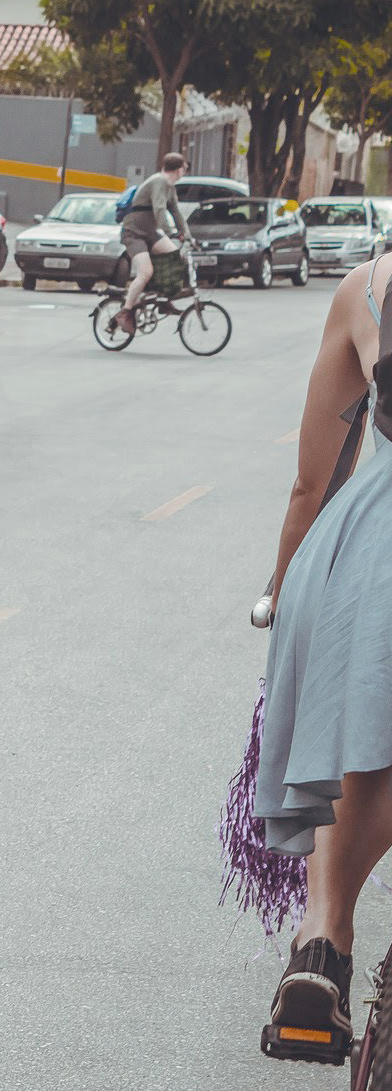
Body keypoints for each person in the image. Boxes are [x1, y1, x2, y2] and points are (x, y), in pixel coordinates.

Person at [253, 252, 392, 1065]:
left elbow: (314, 484)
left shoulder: (367, 289)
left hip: (376, 552)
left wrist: (284, 591)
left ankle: (320, 945)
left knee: (365, 746)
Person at [114, 153, 190, 333]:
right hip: (134, 233)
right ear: (179, 170)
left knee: (175, 256)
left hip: (150, 233)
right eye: (184, 169)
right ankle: (124, 312)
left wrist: (188, 235)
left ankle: (163, 300)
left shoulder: (170, 187)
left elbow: (176, 213)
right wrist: (171, 233)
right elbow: (159, 209)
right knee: (145, 272)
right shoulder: (159, 182)